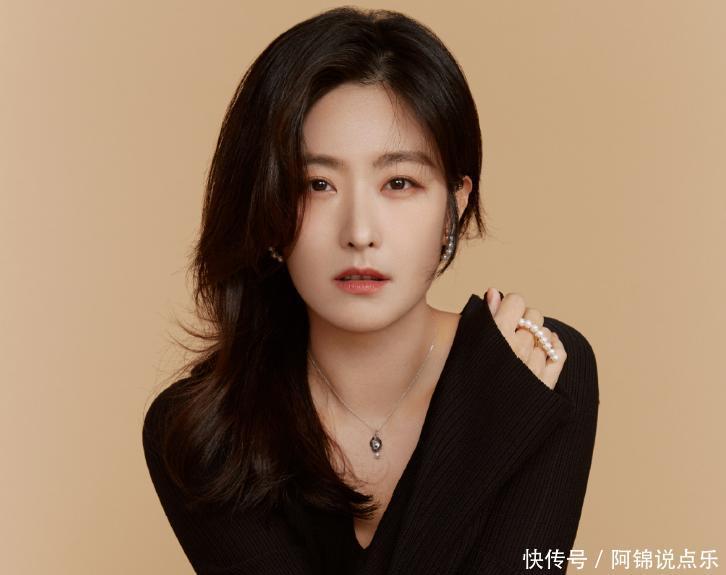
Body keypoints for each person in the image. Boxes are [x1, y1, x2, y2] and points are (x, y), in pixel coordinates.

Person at [142, 6, 599, 574]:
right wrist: (486, 428)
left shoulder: (543, 365)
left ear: (454, 206)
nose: (360, 233)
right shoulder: (203, 432)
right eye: (317, 184)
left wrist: (500, 404)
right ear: (267, 210)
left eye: (399, 182)